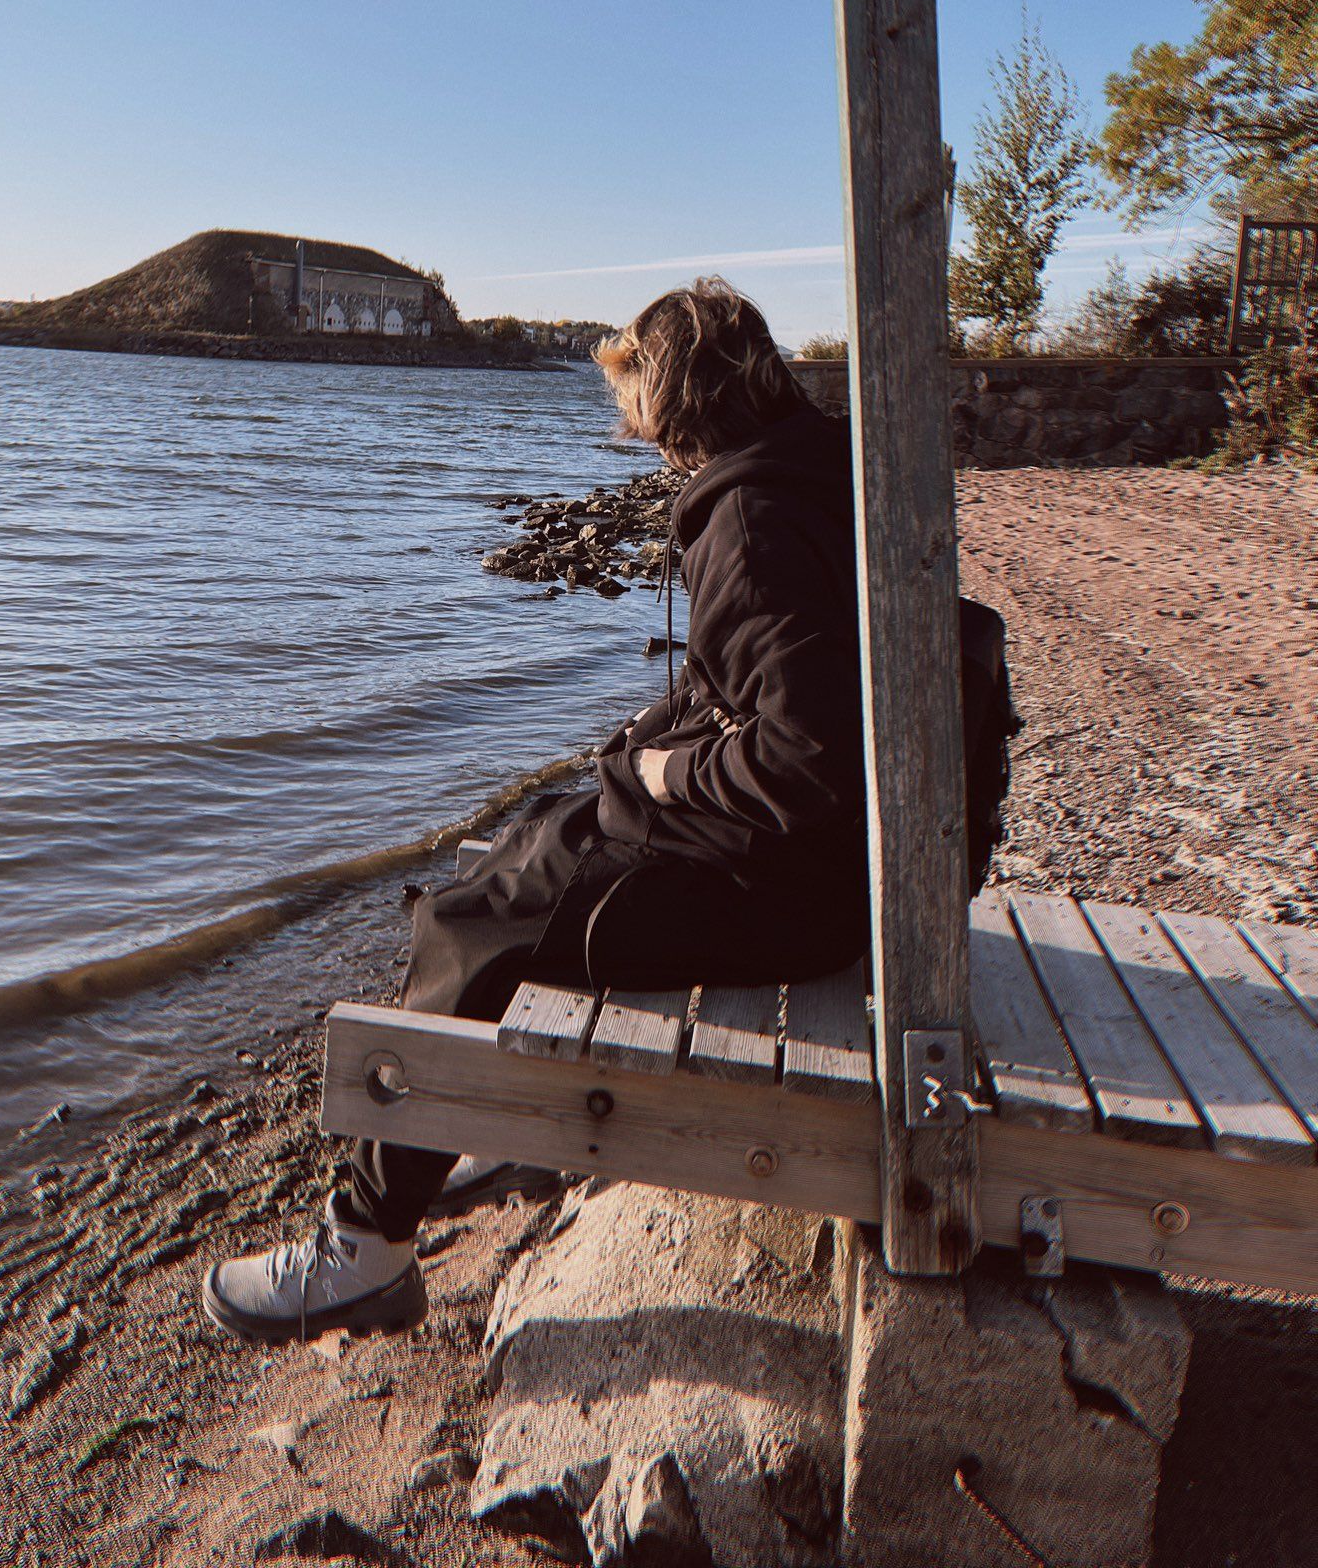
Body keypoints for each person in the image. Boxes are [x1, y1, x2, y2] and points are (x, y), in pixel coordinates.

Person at [201, 278, 1005, 1343]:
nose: (624, 423)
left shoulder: (752, 522)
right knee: (540, 834)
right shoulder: (821, 472)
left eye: (628, 396)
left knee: (466, 919)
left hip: (815, 894)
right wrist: (651, 731)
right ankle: (478, 1112)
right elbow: (777, 675)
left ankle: (366, 1248)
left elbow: (803, 757)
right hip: (873, 865)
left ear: (666, 401)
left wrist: (666, 777)